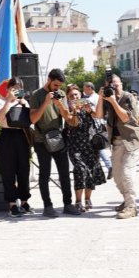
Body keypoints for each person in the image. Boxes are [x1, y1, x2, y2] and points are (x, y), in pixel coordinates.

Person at [94, 74, 139, 219]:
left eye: (116, 84)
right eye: (111, 85)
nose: (114, 88)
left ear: (121, 84)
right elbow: (98, 115)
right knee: (116, 176)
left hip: (131, 140)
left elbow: (126, 118)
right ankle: (127, 200)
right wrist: (101, 98)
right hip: (116, 142)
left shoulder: (128, 97)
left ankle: (131, 207)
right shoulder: (107, 98)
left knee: (126, 174)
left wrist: (113, 101)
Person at [29, 68, 75, 217]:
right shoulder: (37, 95)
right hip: (41, 140)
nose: (57, 89)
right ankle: (47, 206)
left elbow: (67, 117)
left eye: (59, 86)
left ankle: (68, 204)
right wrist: (46, 102)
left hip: (58, 139)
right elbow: (33, 119)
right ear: (48, 80)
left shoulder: (60, 95)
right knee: (45, 173)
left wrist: (59, 104)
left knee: (64, 173)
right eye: (55, 85)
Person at [62, 84, 106, 212]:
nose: (75, 97)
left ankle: (88, 199)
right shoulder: (67, 111)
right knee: (80, 170)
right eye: (71, 96)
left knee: (91, 171)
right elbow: (73, 122)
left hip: (90, 145)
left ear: (80, 95)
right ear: (68, 99)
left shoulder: (88, 107)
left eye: (76, 95)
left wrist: (91, 107)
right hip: (75, 147)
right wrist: (75, 111)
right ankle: (78, 201)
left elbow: (98, 115)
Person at [0, 77, 32, 217]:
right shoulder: (0, 101)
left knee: (23, 169)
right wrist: (9, 101)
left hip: (21, 135)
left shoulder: (23, 102)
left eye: (19, 88)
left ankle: (24, 201)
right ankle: (11, 203)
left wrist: (24, 104)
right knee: (8, 170)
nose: (17, 90)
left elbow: (30, 120)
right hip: (7, 135)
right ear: (8, 88)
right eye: (14, 88)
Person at [83, 81, 113, 179]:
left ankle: (108, 166)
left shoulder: (92, 99)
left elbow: (95, 113)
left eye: (84, 88)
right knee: (98, 147)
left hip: (95, 125)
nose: (83, 90)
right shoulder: (95, 97)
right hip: (98, 124)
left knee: (98, 147)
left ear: (90, 88)